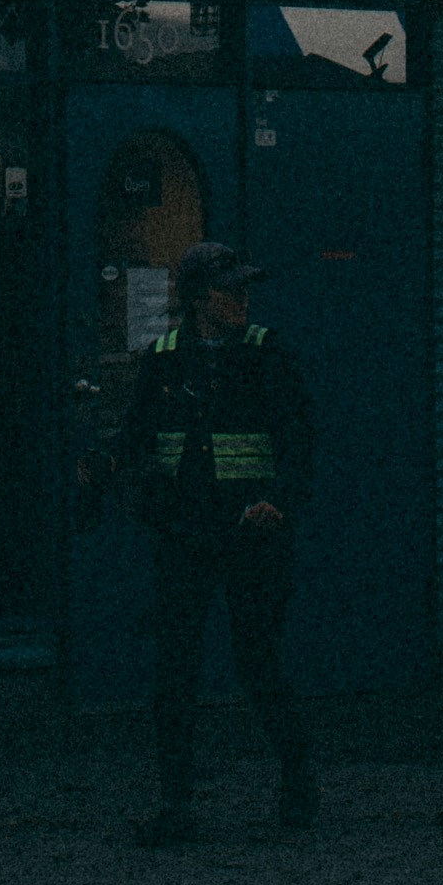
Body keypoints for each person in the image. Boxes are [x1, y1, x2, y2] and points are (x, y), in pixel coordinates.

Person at [115, 241, 318, 846]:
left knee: (258, 663)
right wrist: (115, 476)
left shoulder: (266, 353)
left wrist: (277, 502)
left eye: (244, 288)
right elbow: (136, 440)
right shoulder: (162, 361)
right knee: (175, 671)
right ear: (200, 298)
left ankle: (298, 781)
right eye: (231, 289)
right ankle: (176, 806)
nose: (243, 298)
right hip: (185, 536)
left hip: (252, 535)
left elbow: (300, 439)